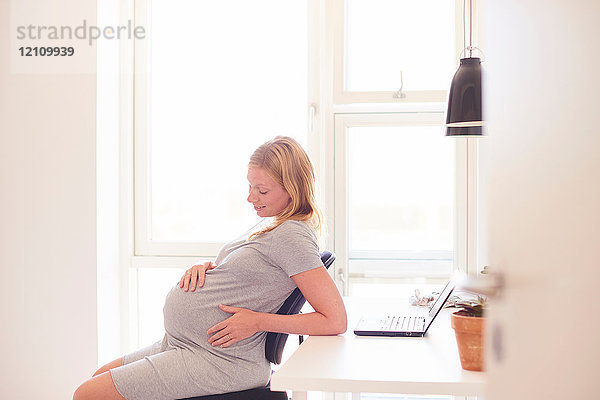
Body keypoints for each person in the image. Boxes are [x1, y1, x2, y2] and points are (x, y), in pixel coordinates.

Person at [73, 136, 347, 400]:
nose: (251, 197)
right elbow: (252, 277)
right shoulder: (272, 223)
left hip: (220, 358)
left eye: (262, 190)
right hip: (187, 343)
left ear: (293, 188)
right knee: (96, 379)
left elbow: (334, 319)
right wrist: (208, 269)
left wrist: (258, 321)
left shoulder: (292, 236)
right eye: (250, 186)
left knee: (87, 395)